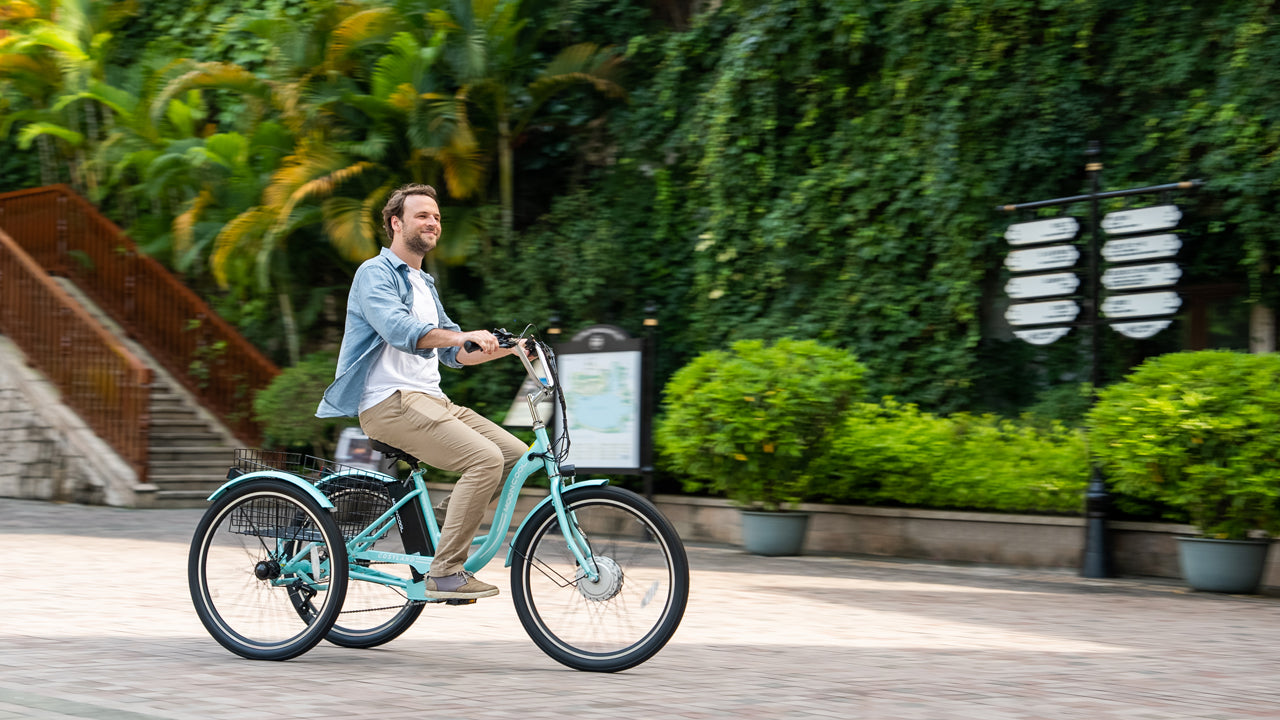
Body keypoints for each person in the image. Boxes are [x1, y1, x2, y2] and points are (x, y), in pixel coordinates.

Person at [316, 183, 528, 600]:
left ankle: (446, 528)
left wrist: (508, 349)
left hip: (432, 400)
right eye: (423, 215)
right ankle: (445, 571)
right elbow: (400, 330)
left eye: (437, 217)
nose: (433, 223)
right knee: (484, 459)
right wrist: (460, 335)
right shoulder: (373, 274)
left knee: (515, 456)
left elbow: (453, 354)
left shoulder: (424, 283)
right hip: (389, 402)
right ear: (396, 223)